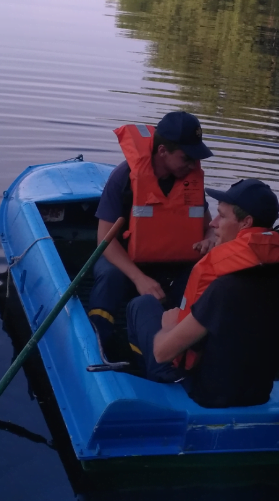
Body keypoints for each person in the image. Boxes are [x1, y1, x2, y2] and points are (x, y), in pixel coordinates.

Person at [125, 178, 279, 408]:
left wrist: (169, 326)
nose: (213, 223)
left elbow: (163, 353)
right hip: (259, 395)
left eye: (222, 215)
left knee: (142, 305)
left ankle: (154, 389)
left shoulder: (224, 286)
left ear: (245, 223)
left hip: (204, 397)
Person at [89, 111, 217, 350]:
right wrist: (139, 279)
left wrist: (210, 237)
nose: (192, 164)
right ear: (162, 152)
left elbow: (208, 227)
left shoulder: (190, 181)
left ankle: (184, 347)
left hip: (171, 262)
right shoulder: (124, 178)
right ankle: (99, 343)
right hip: (126, 259)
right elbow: (104, 240)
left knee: (202, 276)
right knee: (109, 277)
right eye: (186, 157)